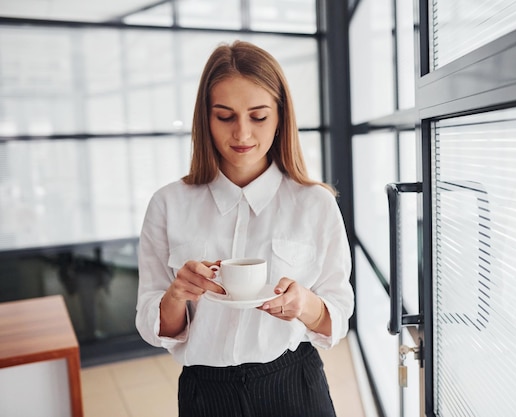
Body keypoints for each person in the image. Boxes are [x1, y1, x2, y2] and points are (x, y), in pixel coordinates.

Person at [135, 40, 354, 417]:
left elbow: (337, 315)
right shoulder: (168, 204)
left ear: (281, 117)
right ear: (205, 118)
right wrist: (176, 296)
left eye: (258, 116)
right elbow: (157, 326)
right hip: (206, 391)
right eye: (225, 116)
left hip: (293, 384)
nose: (242, 134)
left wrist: (304, 305)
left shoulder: (315, 204)